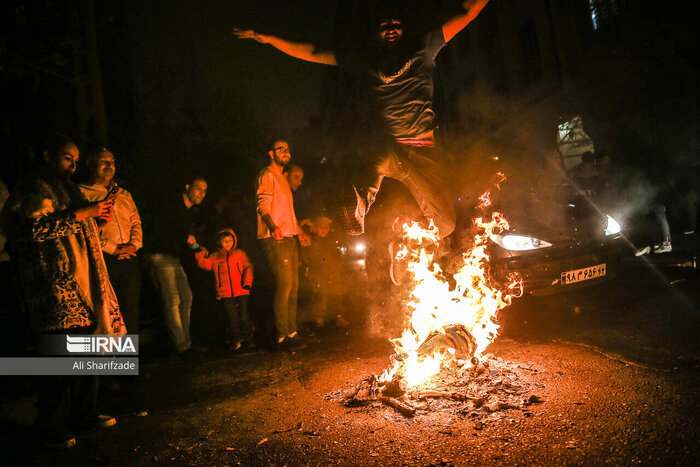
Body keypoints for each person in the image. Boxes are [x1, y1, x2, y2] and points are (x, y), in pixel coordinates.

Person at [234, 0, 490, 239]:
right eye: (383, 26)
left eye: (395, 24)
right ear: (374, 31)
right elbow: (313, 50)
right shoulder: (363, 59)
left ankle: (405, 240)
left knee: (446, 225)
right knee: (377, 151)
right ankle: (359, 205)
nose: (390, 29)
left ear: (403, 26)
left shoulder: (424, 45)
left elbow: (466, 12)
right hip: (390, 146)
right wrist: (269, 39)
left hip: (423, 153)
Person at [2, 134, 124, 449]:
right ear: (48, 155)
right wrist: (84, 214)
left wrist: (96, 220)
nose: (72, 164)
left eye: (75, 159)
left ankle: (84, 413)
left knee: (87, 345)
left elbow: (74, 227)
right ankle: (49, 423)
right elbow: (36, 229)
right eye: (66, 157)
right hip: (52, 283)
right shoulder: (34, 186)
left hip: (80, 282)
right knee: (59, 354)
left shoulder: (66, 187)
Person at [80, 147, 143, 333]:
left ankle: (130, 358)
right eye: (104, 161)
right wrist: (113, 249)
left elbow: (135, 222)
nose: (109, 165)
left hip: (130, 258)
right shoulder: (82, 193)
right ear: (91, 164)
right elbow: (86, 230)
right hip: (103, 260)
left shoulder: (124, 194)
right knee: (107, 313)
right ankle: (109, 356)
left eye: (112, 162)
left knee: (131, 309)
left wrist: (133, 245)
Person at [256, 139, 310, 345]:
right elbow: (263, 204)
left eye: (288, 149)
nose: (286, 152)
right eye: (281, 149)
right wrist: (272, 227)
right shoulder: (266, 175)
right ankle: (281, 335)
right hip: (274, 238)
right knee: (285, 285)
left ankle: (291, 332)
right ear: (271, 153)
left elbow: (289, 216)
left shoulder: (283, 180)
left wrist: (299, 233)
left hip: (288, 238)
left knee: (294, 286)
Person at [144, 176, 207, 354]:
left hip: (172, 258)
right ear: (188, 187)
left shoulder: (188, 212)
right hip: (158, 255)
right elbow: (161, 230)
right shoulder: (172, 204)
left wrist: (197, 248)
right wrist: (186, 238)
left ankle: (185, 342)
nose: (201, 193)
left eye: (204, 191)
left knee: (186, 297)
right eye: (198, 189)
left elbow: (187, 238)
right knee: (172, 300)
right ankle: (182, 346)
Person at [194, 228, 254, 350]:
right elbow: (204, 264)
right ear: (219, 242)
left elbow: (248, 267)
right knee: (232, 317)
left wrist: (247, 283)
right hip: (225, 292)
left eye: (230, 240)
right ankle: (236, 340)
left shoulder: (239, 253)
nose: (227, 242)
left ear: (234, 241)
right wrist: (197, 250)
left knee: (243, 315)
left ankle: (248, 339)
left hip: (241, 290)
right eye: (224, 240)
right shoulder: (215, 256)